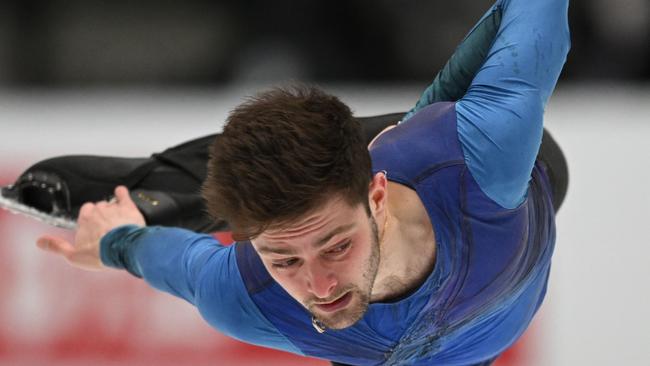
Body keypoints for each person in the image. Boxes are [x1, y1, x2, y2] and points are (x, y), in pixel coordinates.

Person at [34, 0, 570, 364]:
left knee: (453, 114)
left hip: (487, 175)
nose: (320, 287)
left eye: (336, 245)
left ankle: (176, 181)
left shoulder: (484, 158)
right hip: (439, 198)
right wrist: (117, 238)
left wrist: (119, 243)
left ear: (375, 198)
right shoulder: (250, 294)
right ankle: (171, 187)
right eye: (284, 259)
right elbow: (174, 264)